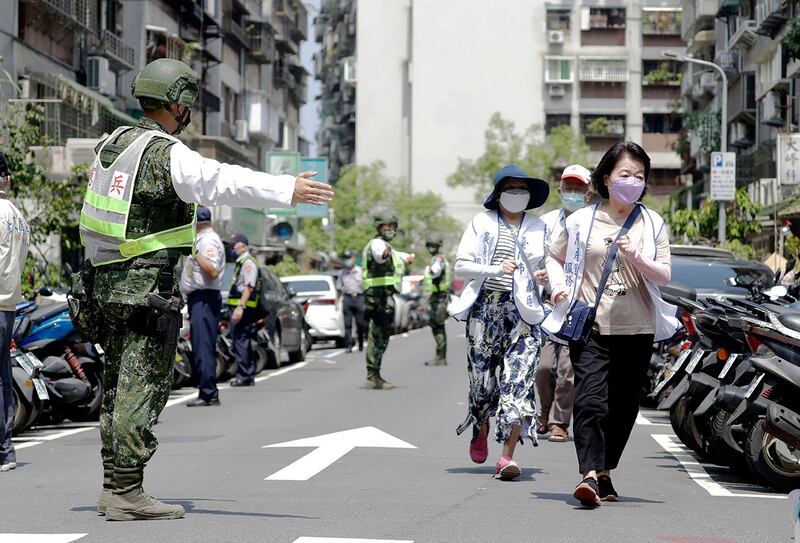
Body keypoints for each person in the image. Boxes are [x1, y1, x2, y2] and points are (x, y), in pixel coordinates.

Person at [68, 58, 333, 521]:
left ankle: (115, 485)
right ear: (177, 104)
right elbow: (220, 179)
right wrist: (286, 188)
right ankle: (127, 493)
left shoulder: (112, 145)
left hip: (103, 285)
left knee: (115, 387)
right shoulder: (165, 152)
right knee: (139, 388)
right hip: (146, 289)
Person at [543, 142, 678, 506]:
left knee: (623, 407)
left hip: (637, 329)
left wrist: (637, 258)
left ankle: (605, 472)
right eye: (625, 174)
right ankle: (588, 474)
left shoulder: (652, 222)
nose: (633, 181)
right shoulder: (581, 220)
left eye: (639, 175)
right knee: (591, 401)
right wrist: (557, 289)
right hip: (591, 326)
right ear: (606, 178)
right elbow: (554, 258)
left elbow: (664, 274)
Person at [449, 165, 550, 481]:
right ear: (499, 193)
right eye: (512, 187)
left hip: (523, 314)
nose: (518, 192)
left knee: (518, 381)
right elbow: (462, 266)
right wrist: (493, 269)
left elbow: (551, 265)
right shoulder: (482, 223)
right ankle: (480, 423)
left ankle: (507, 457)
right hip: (486, 311)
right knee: (482, 384)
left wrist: (546, 276)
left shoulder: (538, 227)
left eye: (523, 187)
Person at [535, 164, 592, 443]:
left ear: (589, 192)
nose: (573, 193)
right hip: (549, 307)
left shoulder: (594, 222)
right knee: (544, 368)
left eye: (578, 189)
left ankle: (560, 422)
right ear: (559, 191)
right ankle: (544, 411)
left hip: (578, 307)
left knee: (567, 371)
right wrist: (542, 275)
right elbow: (535, 260)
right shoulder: (545, 223)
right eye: (568, 188)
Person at [0, 151, 30, 473]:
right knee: (3, 377)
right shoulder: (19, 217)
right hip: (9, 303)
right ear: (6, 179)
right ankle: (6, 450)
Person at [361, 213, 414, 390]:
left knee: (381, 337)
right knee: (377, 337)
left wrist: (407, 257)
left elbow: (397, 255)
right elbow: (379, 256)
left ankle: (375, 375)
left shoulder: (386, 245)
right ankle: (372, 377)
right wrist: (385, 254)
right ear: (379, 228)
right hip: (378, 299)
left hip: (383, 297)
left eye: (393, 226)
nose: (391, 229)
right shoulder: (378, 245)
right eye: (387, 226)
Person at [180, 207, 225, 407]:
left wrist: (195, 252)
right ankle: (207, 390)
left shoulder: (207, 241)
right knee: (200, 345)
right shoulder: (203, 239)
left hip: (205, 298)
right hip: (199, 299)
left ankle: (208, 392)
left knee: (204, 346)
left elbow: (212, 270)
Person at [227, 233, 260, 387]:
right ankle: (246, 374)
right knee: (240, 341)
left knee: (240, 341)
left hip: (242, 309)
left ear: (243, 246)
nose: (232, 248)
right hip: (239, 307)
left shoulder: (248, 263)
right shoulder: (241, 262)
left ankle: (245, 374)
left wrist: (240, 307)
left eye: (234, 245)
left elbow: (249, 286)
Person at [422, 236, 451, 366]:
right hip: (438, 297)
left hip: (439, 298)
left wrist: (431, 270)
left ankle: (440, 356)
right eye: (429, 245)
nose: (430, 248)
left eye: (432, 245)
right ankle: (440, 356)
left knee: (437, 326)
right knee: (437, 326)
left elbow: (437, 271)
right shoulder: (439, 258)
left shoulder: (438, 259)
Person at [337, 250, 366, 352]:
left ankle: (361, 342)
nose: (347, 260)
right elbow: (339, 288)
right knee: (347, 323)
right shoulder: (343, 273)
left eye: (349, 258)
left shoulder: (360, 271)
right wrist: (337, 303)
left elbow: (366, 286)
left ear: (354, 258)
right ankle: (349, 345)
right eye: (346, 258)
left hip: (359, 297)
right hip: (347, 298)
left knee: (360, 323)